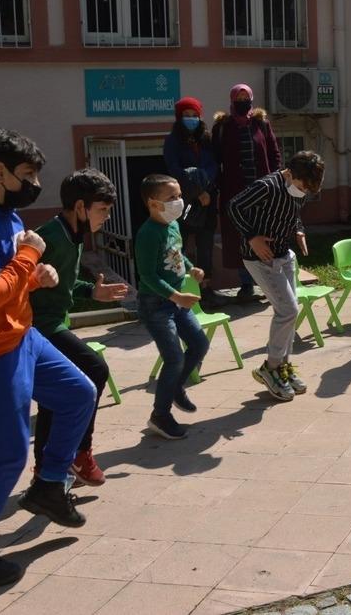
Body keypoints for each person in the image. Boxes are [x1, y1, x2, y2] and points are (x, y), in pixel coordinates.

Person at [0, 128, 95, 586]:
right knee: (7, 454)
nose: (34, 185)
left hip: (19, 337)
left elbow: (6, 282)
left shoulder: (2, 216)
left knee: (77, 393)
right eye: (27, 175)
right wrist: (30, 256)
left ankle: (48, 486)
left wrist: (34, 275)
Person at [29, 169, 129, 487]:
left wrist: (92, 292)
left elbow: (66, 282)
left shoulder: (73, 235)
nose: (106, 217)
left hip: (54, 323)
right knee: (95, 369)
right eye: (102, 210)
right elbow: (20, 278)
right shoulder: (51, 237)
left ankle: (45, 472)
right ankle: (79, 452)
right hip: (38, 328)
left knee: (53, 397)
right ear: (80, 207)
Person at [227, 151, 325, 401]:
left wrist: (299, 230)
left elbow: (294, 213)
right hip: (260, 258)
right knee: (288, 310)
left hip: (284, 255)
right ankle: (269, 369)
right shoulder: (266, 186)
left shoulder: (300, 187)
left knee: (289, 314)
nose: (304, 192)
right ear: (290, 173)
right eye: (302, 186)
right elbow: (234, 206)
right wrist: (252, 237)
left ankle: (282, 367)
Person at [135, 173, 210, 440]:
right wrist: (176, 296)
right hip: (155, 304)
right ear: (154, 203)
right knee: (175, 358)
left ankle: (175, 385)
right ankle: (161, 415)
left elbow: (177, 255)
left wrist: (192, 269)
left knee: (199, 344)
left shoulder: (173, 225)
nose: (179, 201)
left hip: (175, 300)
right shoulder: (147, 234)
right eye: (172, 197)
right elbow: (147, 275)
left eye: (179, 196)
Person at [212, 83, 281, 302]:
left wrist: (276, 181)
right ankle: (246, 284)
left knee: (266, 234)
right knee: (241, 236)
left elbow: (274, 154)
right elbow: (215, 160)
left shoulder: (262, 124)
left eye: (246, 97)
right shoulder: (222, 127)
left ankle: (269, 282)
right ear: (232, 101)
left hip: (263, 193)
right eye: (238, 98)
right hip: (236, 194)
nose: (243, 102)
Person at [163, 96, 219, 305]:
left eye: (194, 115)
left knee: (206, 246)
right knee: (181, 246)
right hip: (185, 202)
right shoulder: (172, 141)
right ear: (179, 118)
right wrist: (197, 192)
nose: (191, 119)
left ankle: (206, 290)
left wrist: (206, 187)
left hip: (208, 202)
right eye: (186, 116)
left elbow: (214, 165)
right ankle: (180, 290)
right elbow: (174, 169)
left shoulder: (206, 138)